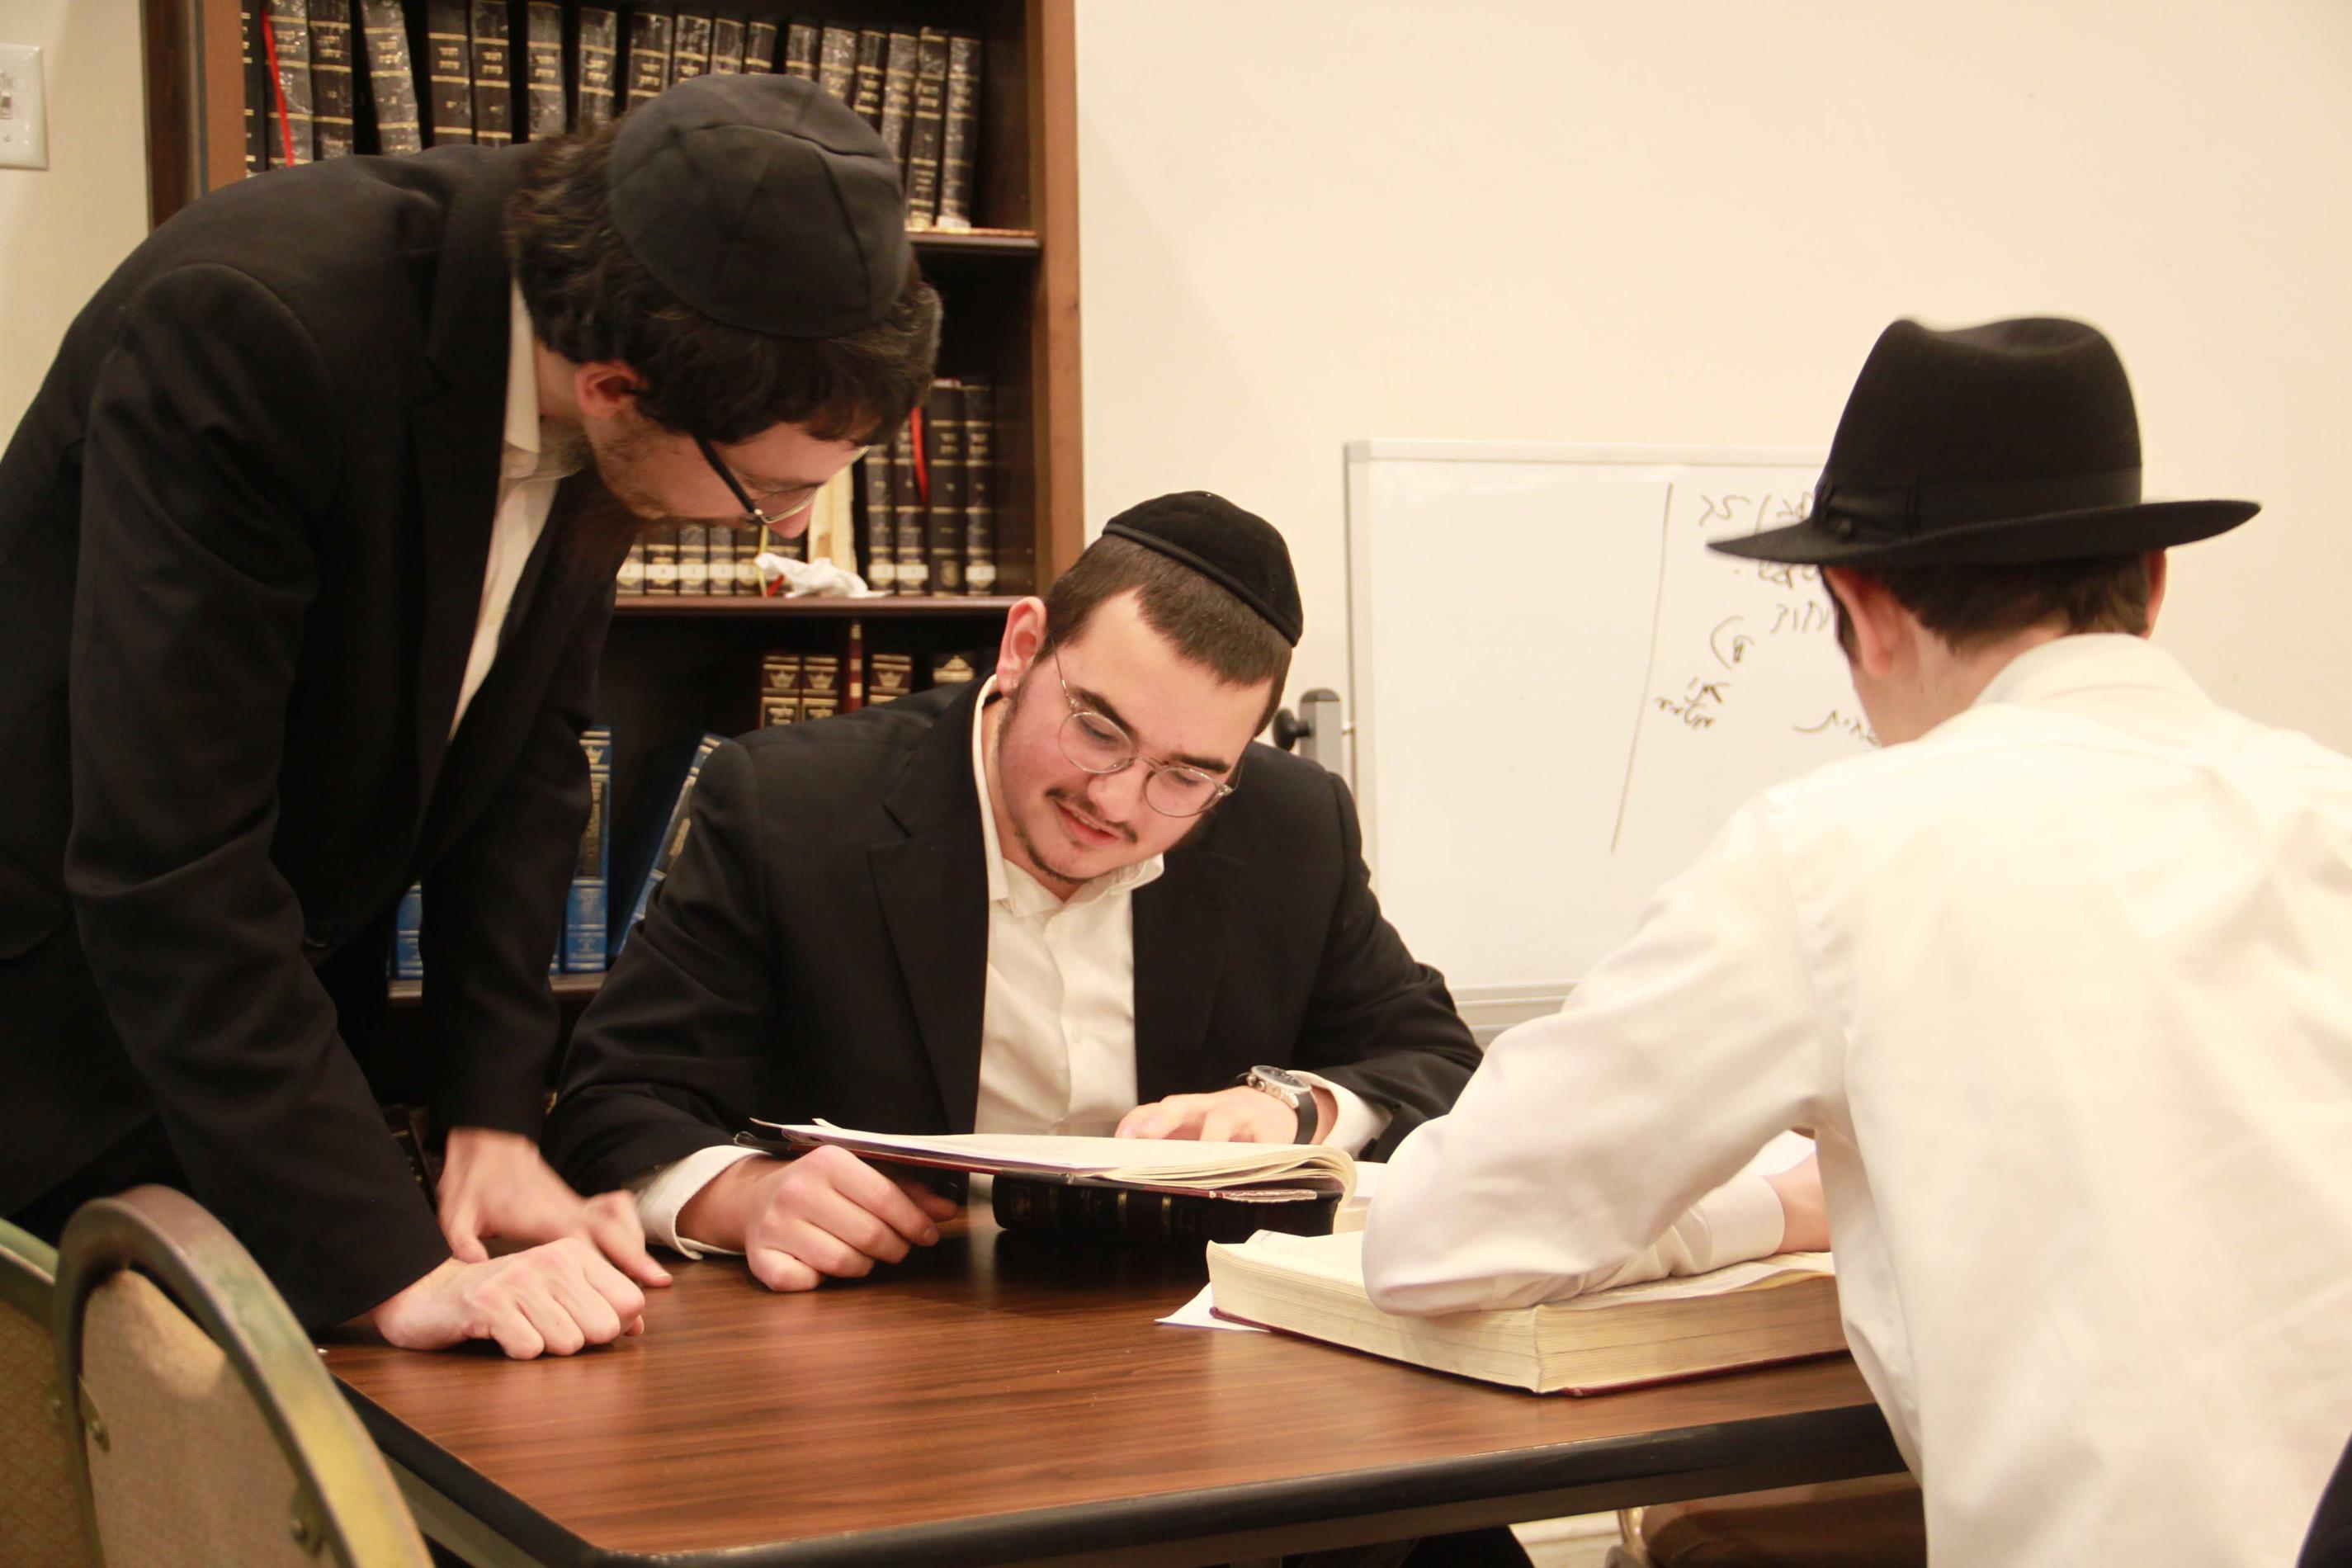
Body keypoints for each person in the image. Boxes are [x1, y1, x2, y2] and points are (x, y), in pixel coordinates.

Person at [1361, 318, 2352, 1565]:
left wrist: (1773, 1213)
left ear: (1863, 608)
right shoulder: (2330, 806)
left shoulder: (1838, 853)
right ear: (2152, 587)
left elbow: (1438, 1237)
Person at [0, 72, 941, 1360]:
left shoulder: (635, 320)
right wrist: (386, 1262)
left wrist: (490, 1114)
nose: (782, 526)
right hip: (51, 1019)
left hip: (249, 1025)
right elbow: (171, 856)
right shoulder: (254, 324)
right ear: (613, 388)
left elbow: (526, 756)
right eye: (765, 492)